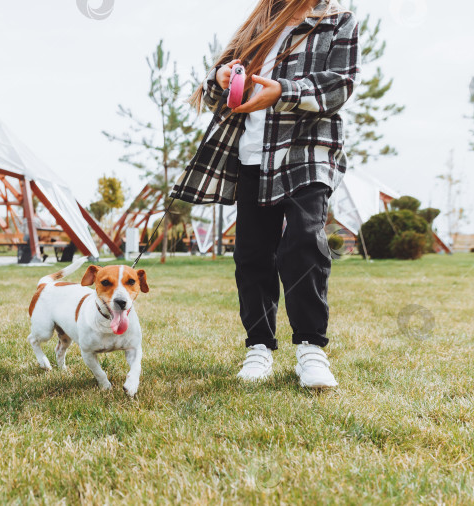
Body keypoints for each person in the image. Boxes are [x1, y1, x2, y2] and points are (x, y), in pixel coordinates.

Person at [173, 0, 360, 387]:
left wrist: (282, 92)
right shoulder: (258, 25)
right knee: (252, 254)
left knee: (304, 242)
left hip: (306, 151)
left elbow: (339, 86)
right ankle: (259, 347)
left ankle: (311, 349)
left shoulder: (337, 22)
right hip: (252, 154)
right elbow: (212, 90)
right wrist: (221, 77)